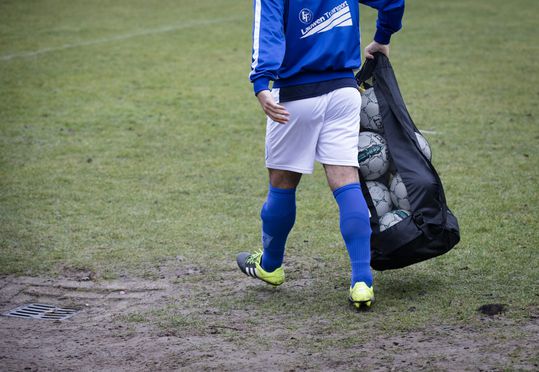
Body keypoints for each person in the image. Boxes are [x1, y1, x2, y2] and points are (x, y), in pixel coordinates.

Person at [236, 0, 404, 309]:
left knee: (282, 181)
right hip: (343, 92)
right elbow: (393, 2)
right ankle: (362, 282)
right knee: (345, 179)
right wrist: (382, 37)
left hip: (294, 96)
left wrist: (261, 81)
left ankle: (270, 265)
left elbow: (268, 31)